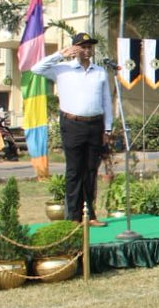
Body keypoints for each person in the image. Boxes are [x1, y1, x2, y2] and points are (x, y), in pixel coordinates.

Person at [32, 32, 113, 227]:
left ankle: (90, 214)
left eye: (89, 47)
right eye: (82, 47)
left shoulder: (99, 72)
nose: (86, 50)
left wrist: (108, 128)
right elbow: (36, 69)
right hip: (72, 124)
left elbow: (106, 101)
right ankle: (73, 217)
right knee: (74, 171)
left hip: (95, 124)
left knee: (90, 170)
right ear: (74, 49)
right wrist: (61, 53)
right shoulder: (62, 69)